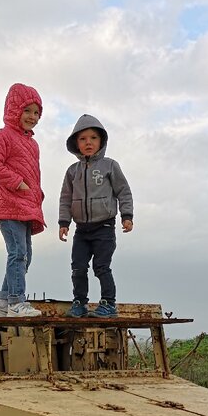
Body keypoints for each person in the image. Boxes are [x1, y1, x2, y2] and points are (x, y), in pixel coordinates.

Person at [57, 114, 133, 318]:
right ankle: (79, 302)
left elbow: (123, 191)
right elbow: (65, 198)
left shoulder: (110, 166)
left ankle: (108, 304)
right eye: (82, 139)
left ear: (101, 141)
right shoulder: (73, 171)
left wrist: (127, 215)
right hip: (81, 230)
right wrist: (64, 222)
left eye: (93, 138)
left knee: (101, 267)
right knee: (78, 268)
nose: (88, 142)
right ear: (76, 143)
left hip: (104, 227)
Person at [0, 83, 46, 317]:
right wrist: (17, 182)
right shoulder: (2, 135)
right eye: (27, 110)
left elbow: (33, 175)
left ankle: (3, 302)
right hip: (8, 204)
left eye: (36, 112)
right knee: (17, 252)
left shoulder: (32, 144)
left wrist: (37, 194)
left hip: (26, 206)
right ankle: (16, 302)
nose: (32, 117)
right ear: (14, 110)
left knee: (25, 255)